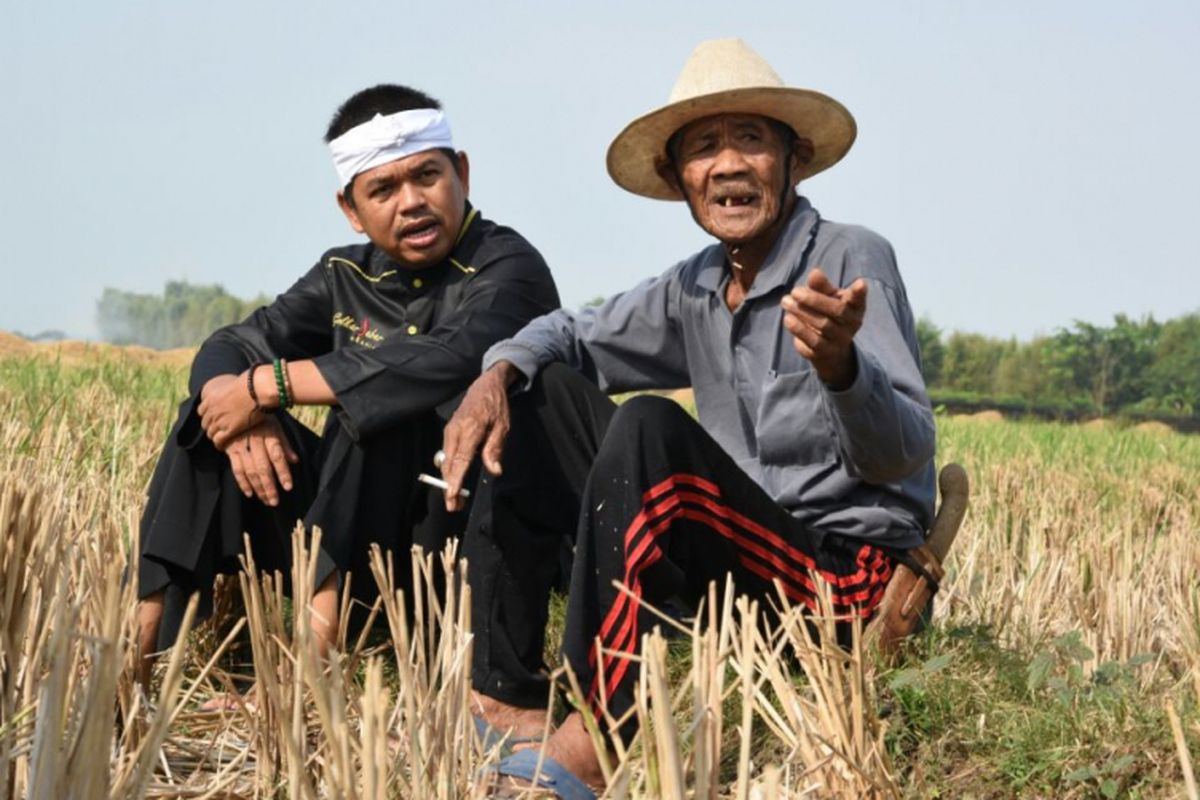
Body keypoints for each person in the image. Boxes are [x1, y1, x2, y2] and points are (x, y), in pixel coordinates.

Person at [439, 39, 936, 796]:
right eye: (705, 148)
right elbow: (571, 332)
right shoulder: (696, 285)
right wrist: (497, 372)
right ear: (680, 180)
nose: (728, 165)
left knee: (646, 427)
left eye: (750, 141)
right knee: (537, 395)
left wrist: (843, 370)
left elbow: (903, 458)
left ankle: (597, 735)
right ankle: (510, 691)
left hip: (836, 577)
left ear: (792, 159)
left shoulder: (849, 258)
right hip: (736, 558)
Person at [135, 84, 560, 686]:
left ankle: (312, 676)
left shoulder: (508, 266)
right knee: (203, 422)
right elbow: (231, 344)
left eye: (427, 176)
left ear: (461, 172)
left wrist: (268, 386)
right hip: (342, 533)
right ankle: (138, 661)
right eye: (383, 190)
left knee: (383, 406)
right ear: (351, 209)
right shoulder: (344, 273)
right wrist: (237, 417)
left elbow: (447, 358)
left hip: (453, 543)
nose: (411, 203)